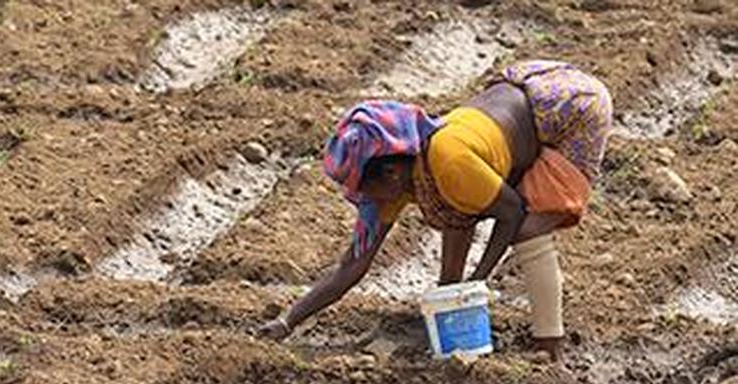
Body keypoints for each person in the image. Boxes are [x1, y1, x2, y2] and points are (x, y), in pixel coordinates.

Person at [258, 61, 614, 360]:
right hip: (519, 99)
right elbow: (353, 265)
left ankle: (548, 345)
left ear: (391, 172)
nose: (361, 196)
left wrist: (477, 281)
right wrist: (289, 320)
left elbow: (511, 211)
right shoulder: (401, 180)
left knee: (530, 230)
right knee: (452, 206)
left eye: (364, 187)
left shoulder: (448, 159)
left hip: (568, 107)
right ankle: (453, 308)